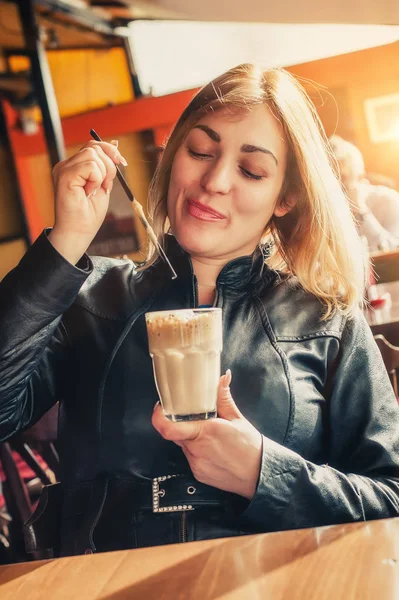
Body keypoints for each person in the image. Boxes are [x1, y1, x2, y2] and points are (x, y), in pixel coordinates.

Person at [0, 64, 398, 558]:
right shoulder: (91, 297)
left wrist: (263, 473)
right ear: (172, 157)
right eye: (201, 151)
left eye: (251, 170)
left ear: (286, 197)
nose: (214, 180)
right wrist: (64, 247)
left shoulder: (326, 320)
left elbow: (391, 498)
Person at [330, 134, 399, 252]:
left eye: (344, 177)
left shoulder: (388, 199)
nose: (339, 185)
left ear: (360, 174)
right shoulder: (330, 211)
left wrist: (360, 211)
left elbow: (391, 249)